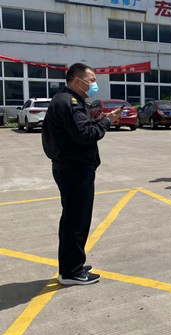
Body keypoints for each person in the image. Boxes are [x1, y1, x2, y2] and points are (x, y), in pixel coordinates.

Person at [41, 63, 122, 285]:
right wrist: (107, 121)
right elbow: (85, 134)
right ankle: (71, 272)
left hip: (68, 167)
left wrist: (100, 119)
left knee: (74, 218)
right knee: (76, 220)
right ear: (78, 81)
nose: (94, 84)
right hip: (75, 170)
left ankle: (73, 264)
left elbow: (77, 130)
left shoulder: (64, 100)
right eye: (92, 80)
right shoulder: (71, 102)